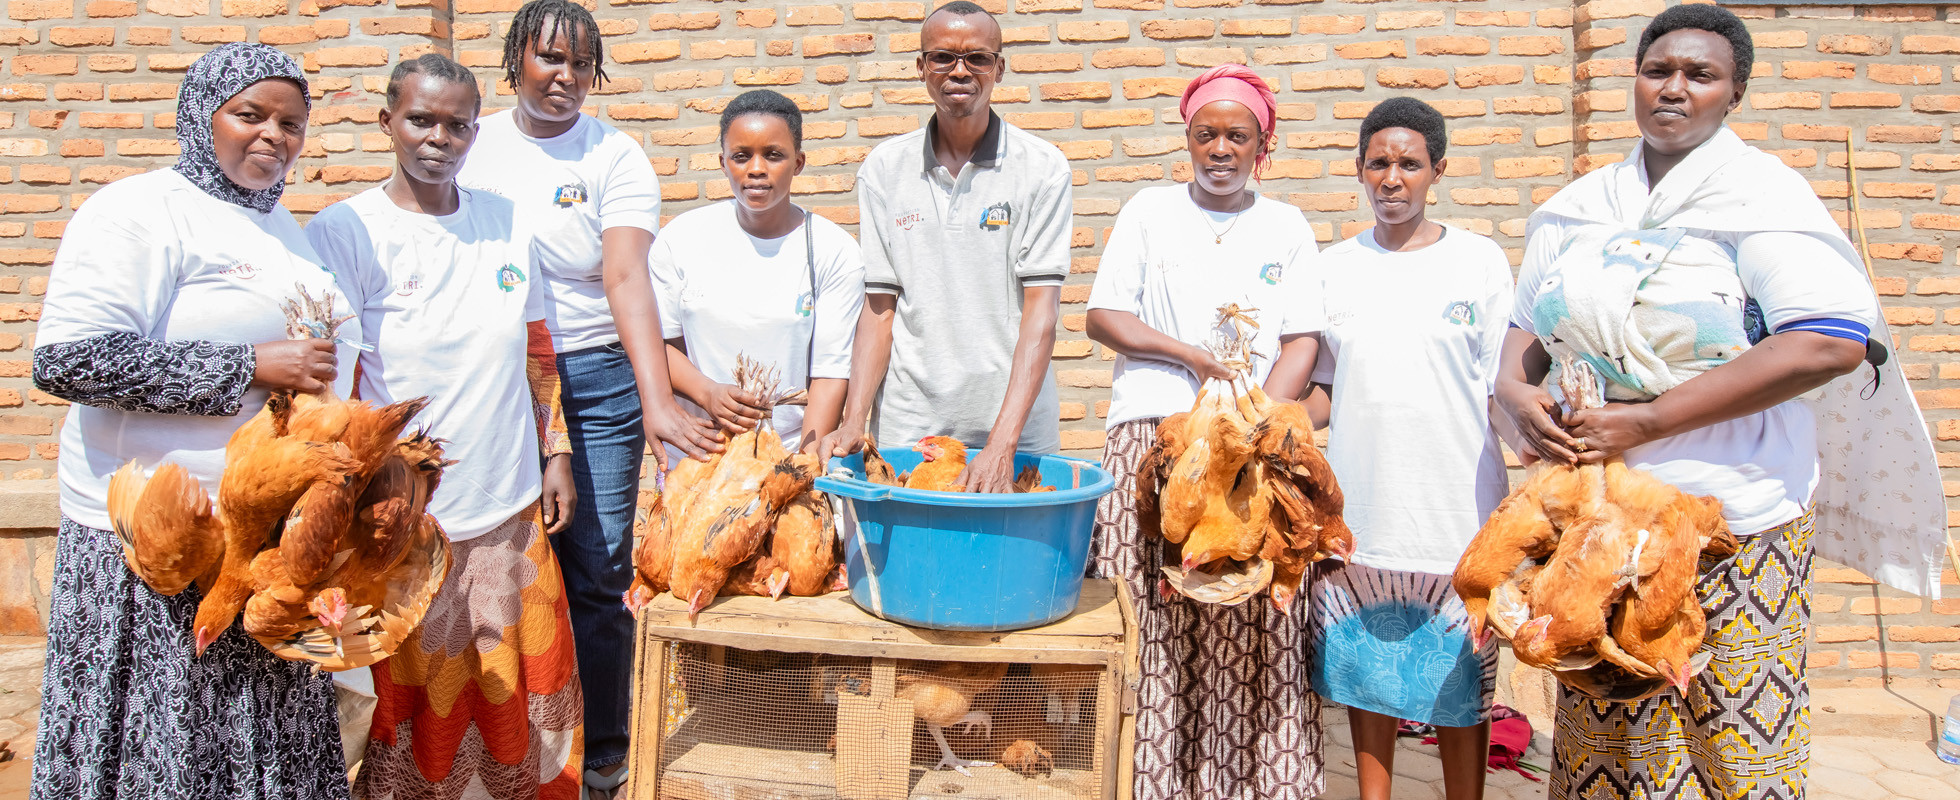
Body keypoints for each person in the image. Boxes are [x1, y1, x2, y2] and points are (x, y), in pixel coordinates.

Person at [1492, 6, 1886, 798]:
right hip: (1600, 512)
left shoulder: (1760, 203)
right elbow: (1521, 333)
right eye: (1657, 70)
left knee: (1729, 729)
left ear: (1733, 93)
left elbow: (1829, 339)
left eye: (1699, 75)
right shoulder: (1581, 208)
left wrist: (1646, 420)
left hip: (1732, 515)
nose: (1673, 88)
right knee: (1607, 721)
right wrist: (1514, 392)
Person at [28, 42, 354, 800]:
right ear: (200, 115)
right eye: (250, 114)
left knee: (256, 742)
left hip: (260, 544)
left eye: (291, 123)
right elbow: (69, 362)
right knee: (164, 753)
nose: (273, 135)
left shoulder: (283, 231)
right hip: (154, 555)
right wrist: (249, 367)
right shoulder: (138, 211)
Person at [453, 2, 718, 792]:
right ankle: (493, 731)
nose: (563, 77)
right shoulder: (474, 143)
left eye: (579, 65)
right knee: (491, 552)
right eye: (547, 60)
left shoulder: (616, 156)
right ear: (516, 62)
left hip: (597, 372)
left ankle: (602, 744)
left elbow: (625, 277)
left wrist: (658, 398)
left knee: (596, 565)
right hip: (496, 369)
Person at [305, 53, 585, 799]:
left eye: (458, 124)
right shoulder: (346, 231)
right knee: (415, 691)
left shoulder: (506, 224)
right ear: (387, 122)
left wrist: (554, 450)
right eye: (421, 119)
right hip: (406, 522)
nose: (439, 137)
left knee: (512, 676)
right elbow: (334, 387)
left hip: (507, 503)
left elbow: (536, 347)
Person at [1084, 64, 1325, 800]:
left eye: (1238, 136)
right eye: (1206, 134)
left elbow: (1302, 340)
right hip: (1155, 433)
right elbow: (1104, 317)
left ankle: (1246, 783)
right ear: (1187, 140)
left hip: (1252, 446)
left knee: (1247, 611)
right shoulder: (1149, 212)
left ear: (1264, 147)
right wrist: (1187, 356)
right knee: (1153, 610)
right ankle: (1149, 781)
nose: (1220, 148)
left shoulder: (1285, 226)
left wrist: (1254, 422)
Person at [1302, 97, 1509, 800]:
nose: (1393, 177)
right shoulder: (1333, 267)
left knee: (1462, 683)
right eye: (1379, 163)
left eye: (1409, 164)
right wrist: (1270, 423)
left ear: (1437, 171)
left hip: (1459, 504)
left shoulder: (1478, 262)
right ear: (1359, 170)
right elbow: (1326, 388)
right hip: (1365, 505)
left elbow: (1498, 385)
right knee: (1368, 679)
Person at [816, 0, 1070, 491]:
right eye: (943, 57)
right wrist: (853, 419)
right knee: (911, 565)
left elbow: (1042, 312)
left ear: (999, 68)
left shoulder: (1042, 167)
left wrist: (1003, 442)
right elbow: (879, 308)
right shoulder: (884, 170)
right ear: (921, 68)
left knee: (1004, 565)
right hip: (911, 425)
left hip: (1015, 429)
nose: (960, 70)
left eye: (977, 57)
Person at [652, 89, 863, 456]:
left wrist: (802, 467)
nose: (756, 169)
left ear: (798, 163)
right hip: (700, 453)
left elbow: (830, 372)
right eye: (741, 156)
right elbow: (661, 346)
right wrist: (707, 392)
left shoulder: (833, 250)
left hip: (785, 455)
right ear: (722, 162)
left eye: (774, 155)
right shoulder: (680, 240)